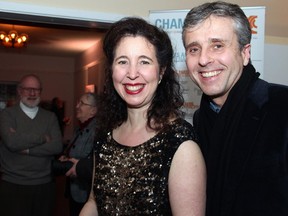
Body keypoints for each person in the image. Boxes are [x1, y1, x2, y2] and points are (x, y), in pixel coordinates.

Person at [80, 17, 206, 216]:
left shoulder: (180, 143)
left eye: (144, 62)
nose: (132, 74)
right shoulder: (104, 136)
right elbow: (93, 202)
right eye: (123, 62)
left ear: (162, 71)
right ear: (111, 70)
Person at [182, 1, 288, 216]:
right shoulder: (201, 119)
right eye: (194, 49)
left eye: (217, 45)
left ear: (245, 53)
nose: (203, 59)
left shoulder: (282, 106)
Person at [0, 74, 63, 216]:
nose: (32, 93)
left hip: (44, 186)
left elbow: (57, 146)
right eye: (28, 89)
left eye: (36, 90)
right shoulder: (7, 115)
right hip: (13, 185)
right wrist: (43, 138)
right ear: (19, 90)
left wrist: (26, 149)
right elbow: (11, 142)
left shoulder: (50, 117)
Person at [54, 92, 98, 216]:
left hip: (86, 193)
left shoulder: (97, 131)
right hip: (74, 188)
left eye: (82, 103)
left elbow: (91, 160)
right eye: (78, 102)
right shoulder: (80, 128)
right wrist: (66, 157)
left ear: (93, 111)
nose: (77, 106)